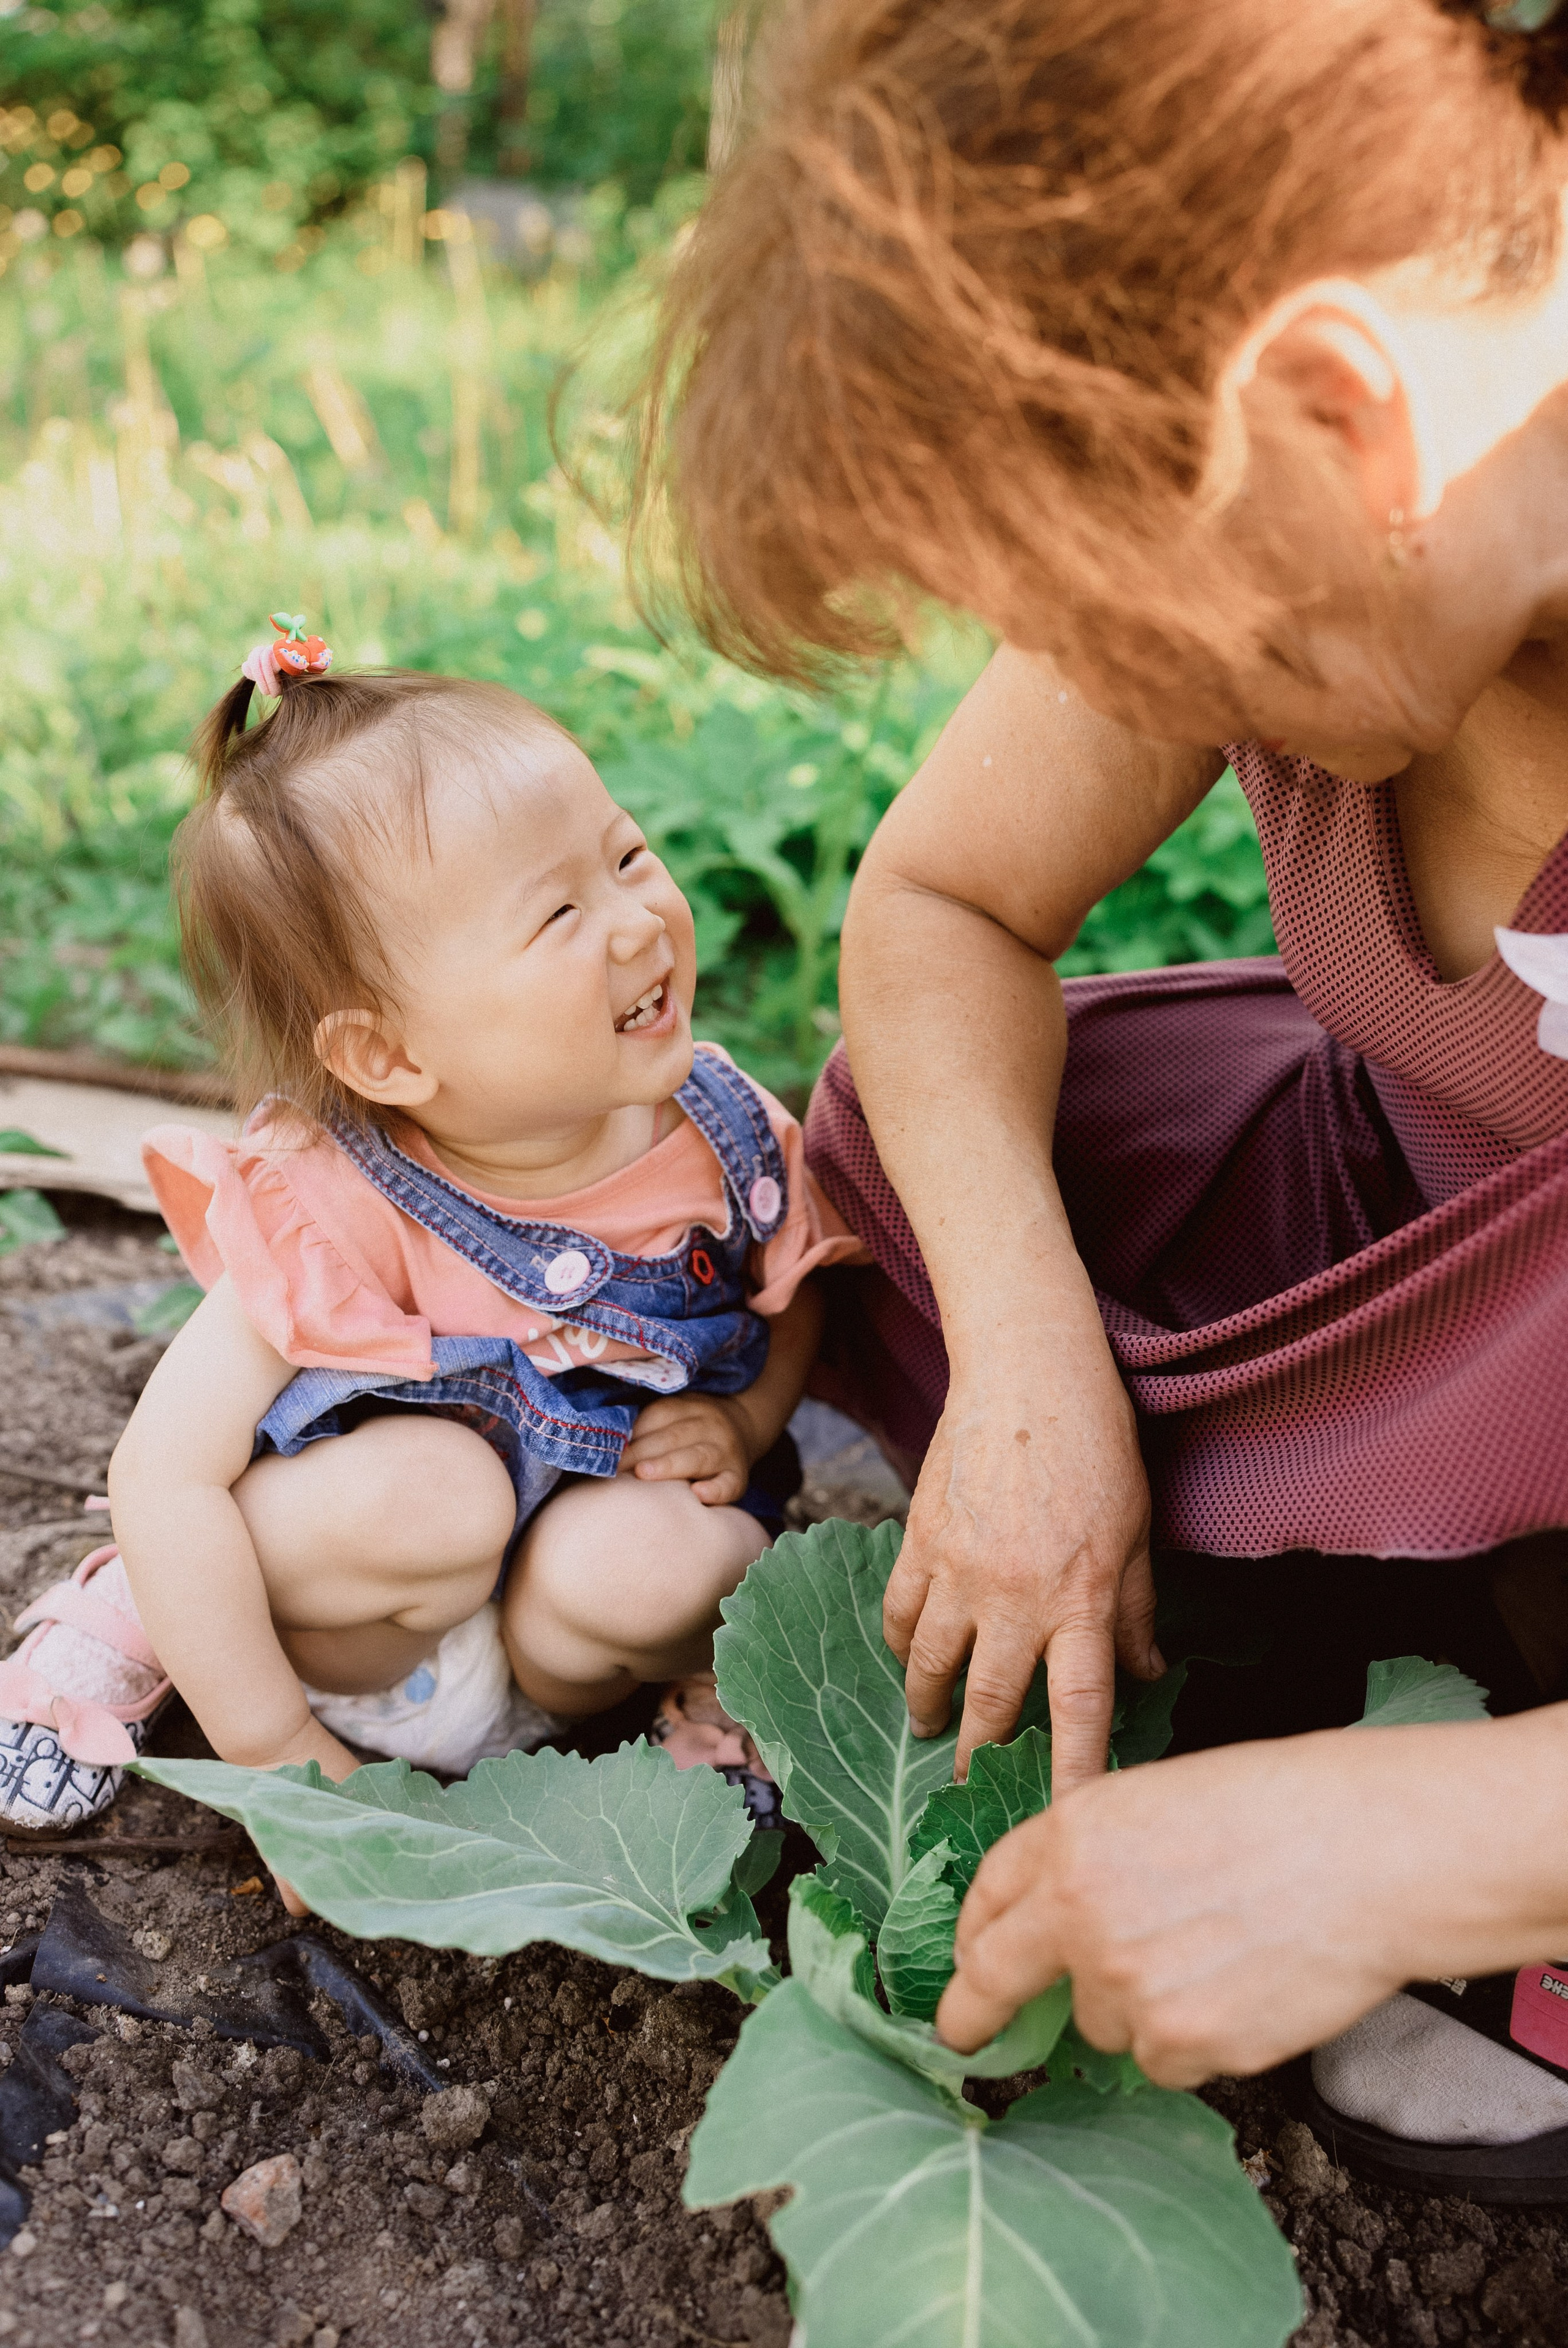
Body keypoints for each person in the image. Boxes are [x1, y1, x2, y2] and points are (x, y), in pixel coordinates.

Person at [639, 0, 1568, 2189]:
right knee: (909, 1151)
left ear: (1348, 411)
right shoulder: (1352, 504)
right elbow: (947, 902)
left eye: (1160, 647)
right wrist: (1036, 1374)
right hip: (1429, 1240)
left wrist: (1436, 1852)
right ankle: (1367, 1616)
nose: (1131, 700)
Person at [0, 633, 863, 1861]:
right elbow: (165, 1472)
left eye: (625, 855)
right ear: (390, 1058)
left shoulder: (719, 1132)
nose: (634, 922)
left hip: (546, 1657)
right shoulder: (337, 1194)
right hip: (372, 1627)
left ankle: (654, 1703)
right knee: (430, 1493)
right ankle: (139, 1614)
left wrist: (745, 1422)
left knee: (673, 1559)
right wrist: (276, 1758)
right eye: (560, 912)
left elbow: (791, 1298)